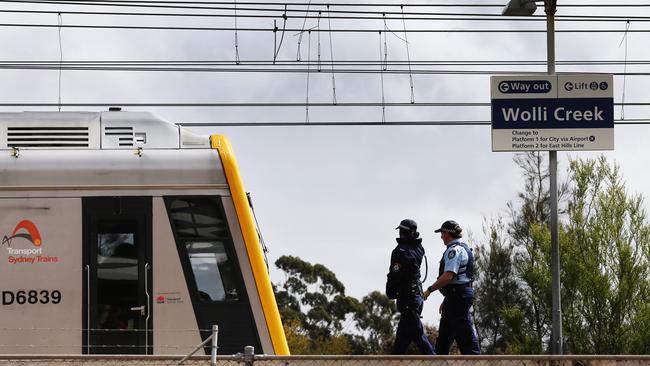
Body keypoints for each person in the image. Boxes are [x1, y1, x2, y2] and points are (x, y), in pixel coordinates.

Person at [423, 220, 480, 355]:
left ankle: (477, 363)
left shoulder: (454, 251)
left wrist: (429, 290)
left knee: (466, 340)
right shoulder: (463, 248)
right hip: (455, 296)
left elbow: (449, 276)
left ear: (447, 233)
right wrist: (447, 299)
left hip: (458, 297)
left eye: (442, 233)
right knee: (443, 342)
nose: (441, 236)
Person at [386, 219, 435, 355]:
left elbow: (394, 275)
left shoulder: (400, 252)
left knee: (419, 337)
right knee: (400, 346)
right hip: (417, 297)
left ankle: (438, 363)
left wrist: (390, 292)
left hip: (407, 299)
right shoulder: (419, 248)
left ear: (403, 232)